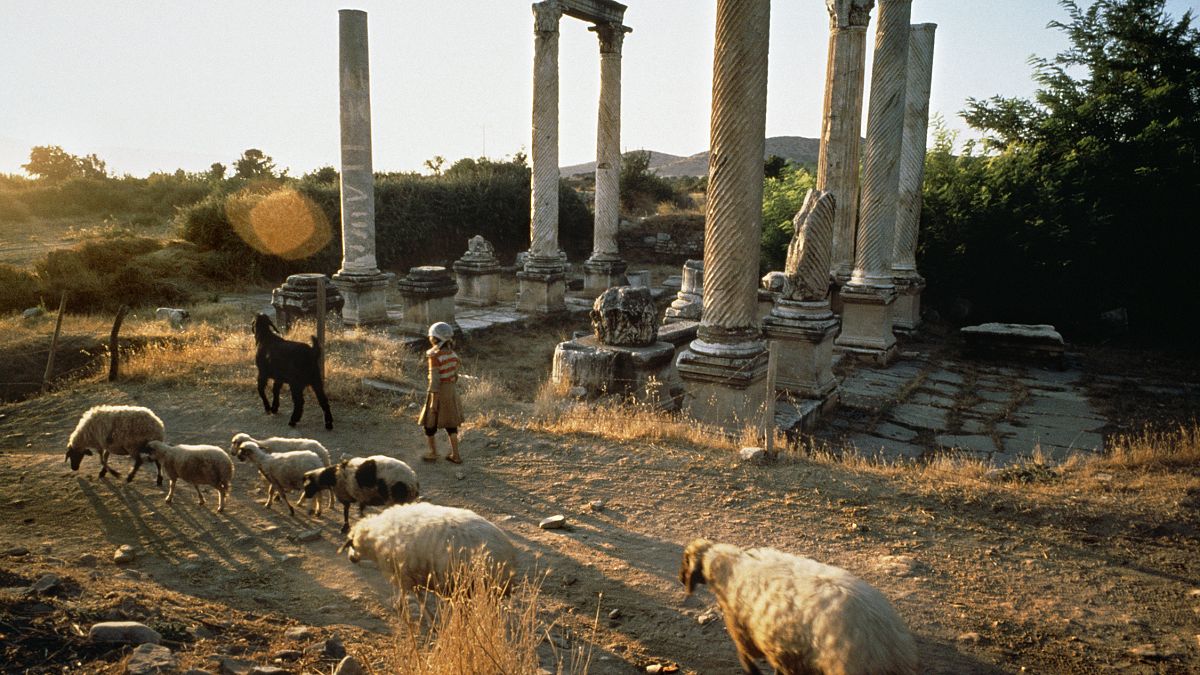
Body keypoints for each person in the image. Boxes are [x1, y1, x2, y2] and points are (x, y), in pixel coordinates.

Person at [418, 321, 463, 463]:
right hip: (451, 391)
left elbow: (434, 380)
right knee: (451, 425)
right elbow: (455, 375)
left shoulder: (434, 357)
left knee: (429, 424)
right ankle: (456, 455)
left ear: (435, 338)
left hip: (438, 392)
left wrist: (433, 402)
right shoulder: (453, 355)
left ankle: (433, 453)